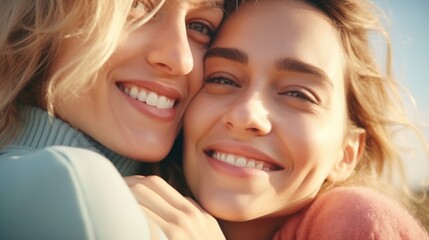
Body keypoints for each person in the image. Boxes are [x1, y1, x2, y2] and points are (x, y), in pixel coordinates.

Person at [128, 0, 429, 239]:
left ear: (347, 154)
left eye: (298, 94)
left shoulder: (356, 220)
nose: (247, 114)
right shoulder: (130, 206)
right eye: (223, 79)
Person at [0, 0, 237, 239]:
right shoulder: (77, 188)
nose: (181, 59)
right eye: (138, 7)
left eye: (200, 26)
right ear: (40, 14)